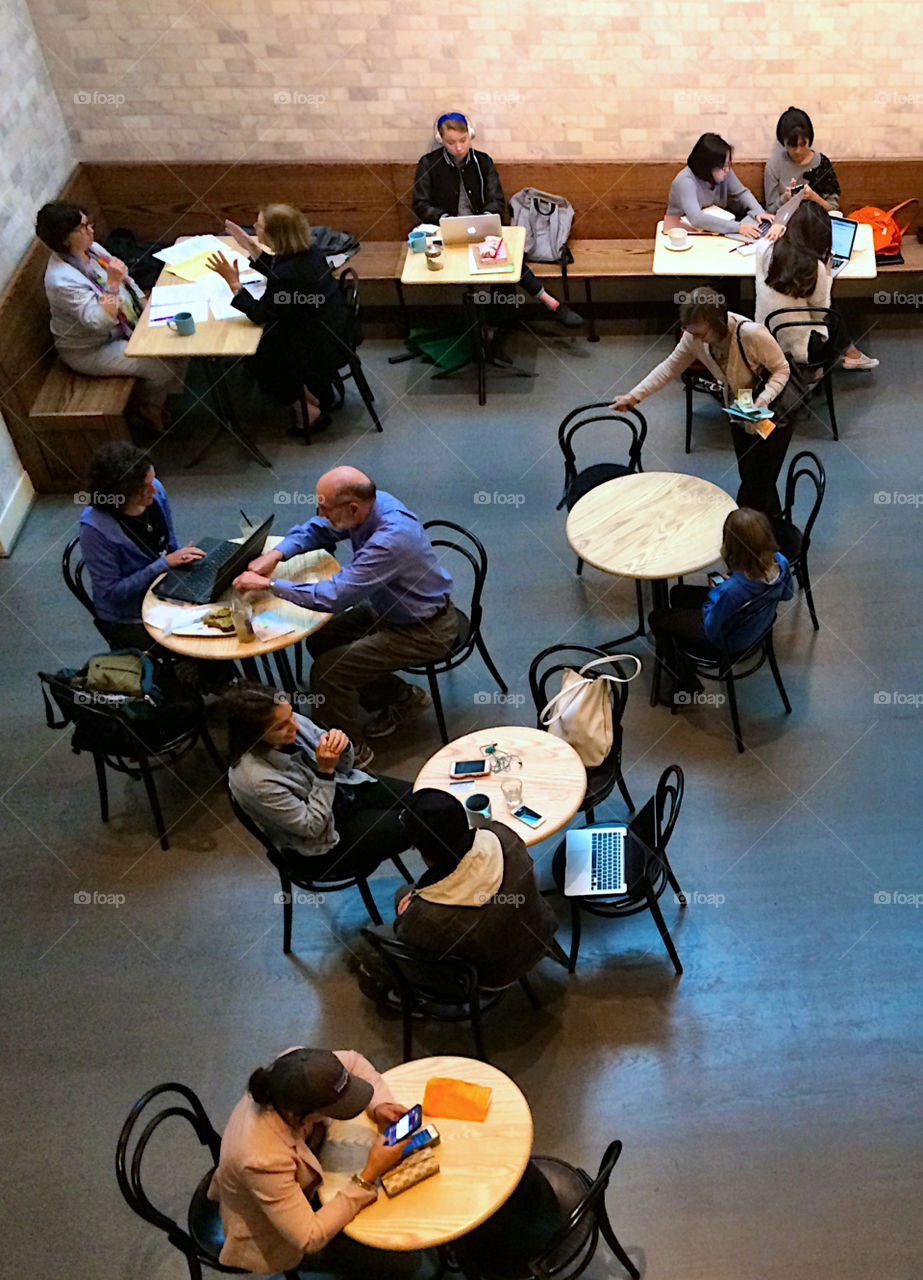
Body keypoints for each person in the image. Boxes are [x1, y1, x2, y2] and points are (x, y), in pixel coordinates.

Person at [233, 468, 458, 768]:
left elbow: (335, 596)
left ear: (353, 507)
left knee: (328, 673)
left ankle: (350, 752)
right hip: (390, 608)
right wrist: (276, 555)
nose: (320, 514)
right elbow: (320, 529)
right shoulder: (369, 505)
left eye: (325, 508)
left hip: (423, 629)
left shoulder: (390, 540)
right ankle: (402, 697)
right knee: (321, 639)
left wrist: (271, 585)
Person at [208, 1046, 412, 1274]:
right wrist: (368, 1175)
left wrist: (379, 1105)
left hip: (300, 1174)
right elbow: (309, 1236)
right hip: (272, 1230)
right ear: (301, 1114)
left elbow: (354, 1062)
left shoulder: (295, 1070)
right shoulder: (261, 1158)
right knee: (392, 1267)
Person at [358, 787, 558, 1005]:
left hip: (494, 976)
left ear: (418, 849)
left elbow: (412, 942)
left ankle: (410, 1002)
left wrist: (409, 915)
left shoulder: (429, 917)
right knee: (403, 894)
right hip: (540, 928)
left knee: (372, 946)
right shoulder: (502, 835)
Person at [612, 291, 793, 516]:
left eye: (699, 332)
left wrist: (764, 399)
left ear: (718, 322)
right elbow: (670, 367)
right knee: (752, 477)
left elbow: (782, 369)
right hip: (741, 408)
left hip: (772, 410)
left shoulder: (752, 334)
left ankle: (751, 533)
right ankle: (770, 528)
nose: (694, 338)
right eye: (689, 331)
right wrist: (635, 396)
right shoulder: (694, 336)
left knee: (757, 485)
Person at [223, 681, 415, 876]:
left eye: (291, 714)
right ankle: (432, 896)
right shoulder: (256, 780)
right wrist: (325, 773)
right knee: (424, 822)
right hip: (323, 845)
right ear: (254, 736)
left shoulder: (287, 719)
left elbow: (345, 768)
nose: (295, 725)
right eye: (281, 727)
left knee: (432, 796)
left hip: (345, 790)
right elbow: (312, 827)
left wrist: (343, 746)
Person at [412, 111, 583, 327]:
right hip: (446, 234)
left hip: (482, 232)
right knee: (495, 265)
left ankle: (503, 321)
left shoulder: (483, 162)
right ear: (441, 140)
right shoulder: (429, 164)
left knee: (509, 262)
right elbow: (420, 203)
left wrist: (485, 218)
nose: (458, 147)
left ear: (470, 135)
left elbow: (497, 200)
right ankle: (545, 305)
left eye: (463, 140)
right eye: (451, 142)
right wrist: (445, 219)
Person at [36, 203, 184, 432]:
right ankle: (148, 408)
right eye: (82, 228)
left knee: (179, 339)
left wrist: (144, 304)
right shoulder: (61, 280)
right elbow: (98, 322)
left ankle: (158, 395)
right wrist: (112, 284)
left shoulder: (92, 250)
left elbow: (127, 281)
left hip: (124, 324)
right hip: (92, 348)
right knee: (163, 369)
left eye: (88, 224)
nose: (90, 231)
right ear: (64, 239)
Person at [206, 205, 350, 432]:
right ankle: (309, 393)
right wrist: (251, 246)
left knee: (254, 353)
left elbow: (260, 313)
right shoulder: (311, 252)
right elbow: (281, 272)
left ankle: (306, 408)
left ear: (276, 234)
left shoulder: (288, 275)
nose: (255, 229)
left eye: (259, 227)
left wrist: (234, 284)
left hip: (319, 347)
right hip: (334, 329)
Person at [648, 508, 794, 704]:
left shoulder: (731, 592)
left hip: (729, 640)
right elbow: (787, 594)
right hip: (757, 626)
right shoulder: (781, 562)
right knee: (678, 593)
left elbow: (712, 627)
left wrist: (714, 595)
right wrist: (730, 584)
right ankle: (682, 656)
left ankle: (686, 683)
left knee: (657, 618)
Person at [78, 441, 205, 650]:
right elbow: (112, 593)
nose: (154, 490)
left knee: (222, 612)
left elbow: (170, 542)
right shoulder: (95, 530)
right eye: (144, 487)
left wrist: (182, 563)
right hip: (128, 615)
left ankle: (229, 681)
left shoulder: (157, 493)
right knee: (196, 640)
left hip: (164, 589)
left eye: (153, 480)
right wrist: (164, 564)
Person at [754, 201, 880, 370]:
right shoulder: (814, 266)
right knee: (831, 311)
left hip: (765, 334)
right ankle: (850, 354)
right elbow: (820, 309)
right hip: (802, 347)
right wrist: (827, 273)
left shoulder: (764, 248)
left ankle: (851, 353)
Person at [666, 133, 775, 237]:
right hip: (680, 232)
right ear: (707, 166)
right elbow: (696, 218)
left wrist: (759, 212)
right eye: (723, 166)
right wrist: (739, 227)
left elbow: (742, 193)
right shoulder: (685, 181)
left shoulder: (724, 171)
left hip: (712, 227)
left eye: (728, 164)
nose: (727, 170)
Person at [764, 107, 841, 215]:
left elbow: (834, 208)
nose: (798, 151)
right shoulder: (774, 166)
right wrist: (785, 198)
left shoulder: (821, 163)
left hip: (818, 224)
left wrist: (815, 198)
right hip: (785, 225)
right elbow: (770, 210)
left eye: (802, 144)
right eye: (792, 146)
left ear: (810, 139)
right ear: (783, 143)